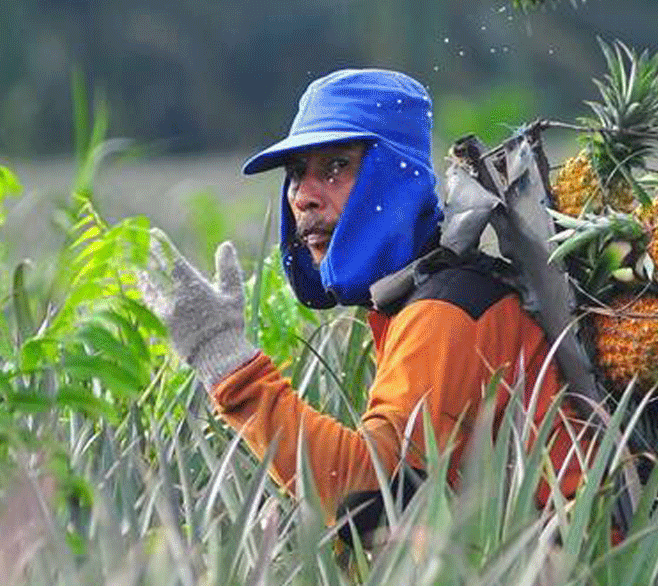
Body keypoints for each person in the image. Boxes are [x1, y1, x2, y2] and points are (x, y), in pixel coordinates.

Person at [140, 68, 588, 533]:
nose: (304, 198)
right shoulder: (420, 300)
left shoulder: (446, 312)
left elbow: (371, 497)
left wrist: (226, 360)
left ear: (392, 177)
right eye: (297, 174)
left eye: (336, 166)